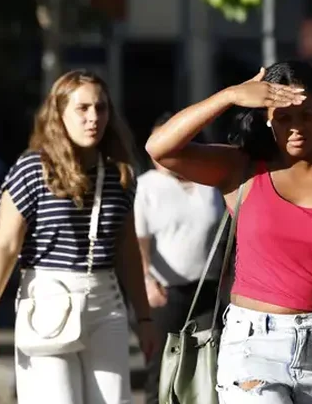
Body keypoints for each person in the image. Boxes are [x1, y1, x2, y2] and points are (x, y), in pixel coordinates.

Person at [145, 61, 312, 404]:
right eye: (283, 117)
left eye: (305, 115)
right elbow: (160, 148)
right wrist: (230, 96)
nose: (296, 128)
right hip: (253, 350)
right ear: (267, 119)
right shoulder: (241, 171)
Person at [0, 70, 156, 404]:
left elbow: (126, 249)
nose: (93, 118)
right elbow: (5, 245)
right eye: (82, 109)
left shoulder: (120, 172)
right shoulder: (32, 169)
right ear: (59, 114)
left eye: (100, 108)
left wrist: (143, 318)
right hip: (47, 300)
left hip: (105, 303)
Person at [136, 112, 226, 404]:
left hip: (208, 289)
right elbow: (138, 241)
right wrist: (146, 281)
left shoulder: (208, 182)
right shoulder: (146, 186)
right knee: (162, 370)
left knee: (210, 365)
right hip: (165, 293)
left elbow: (226, 233)